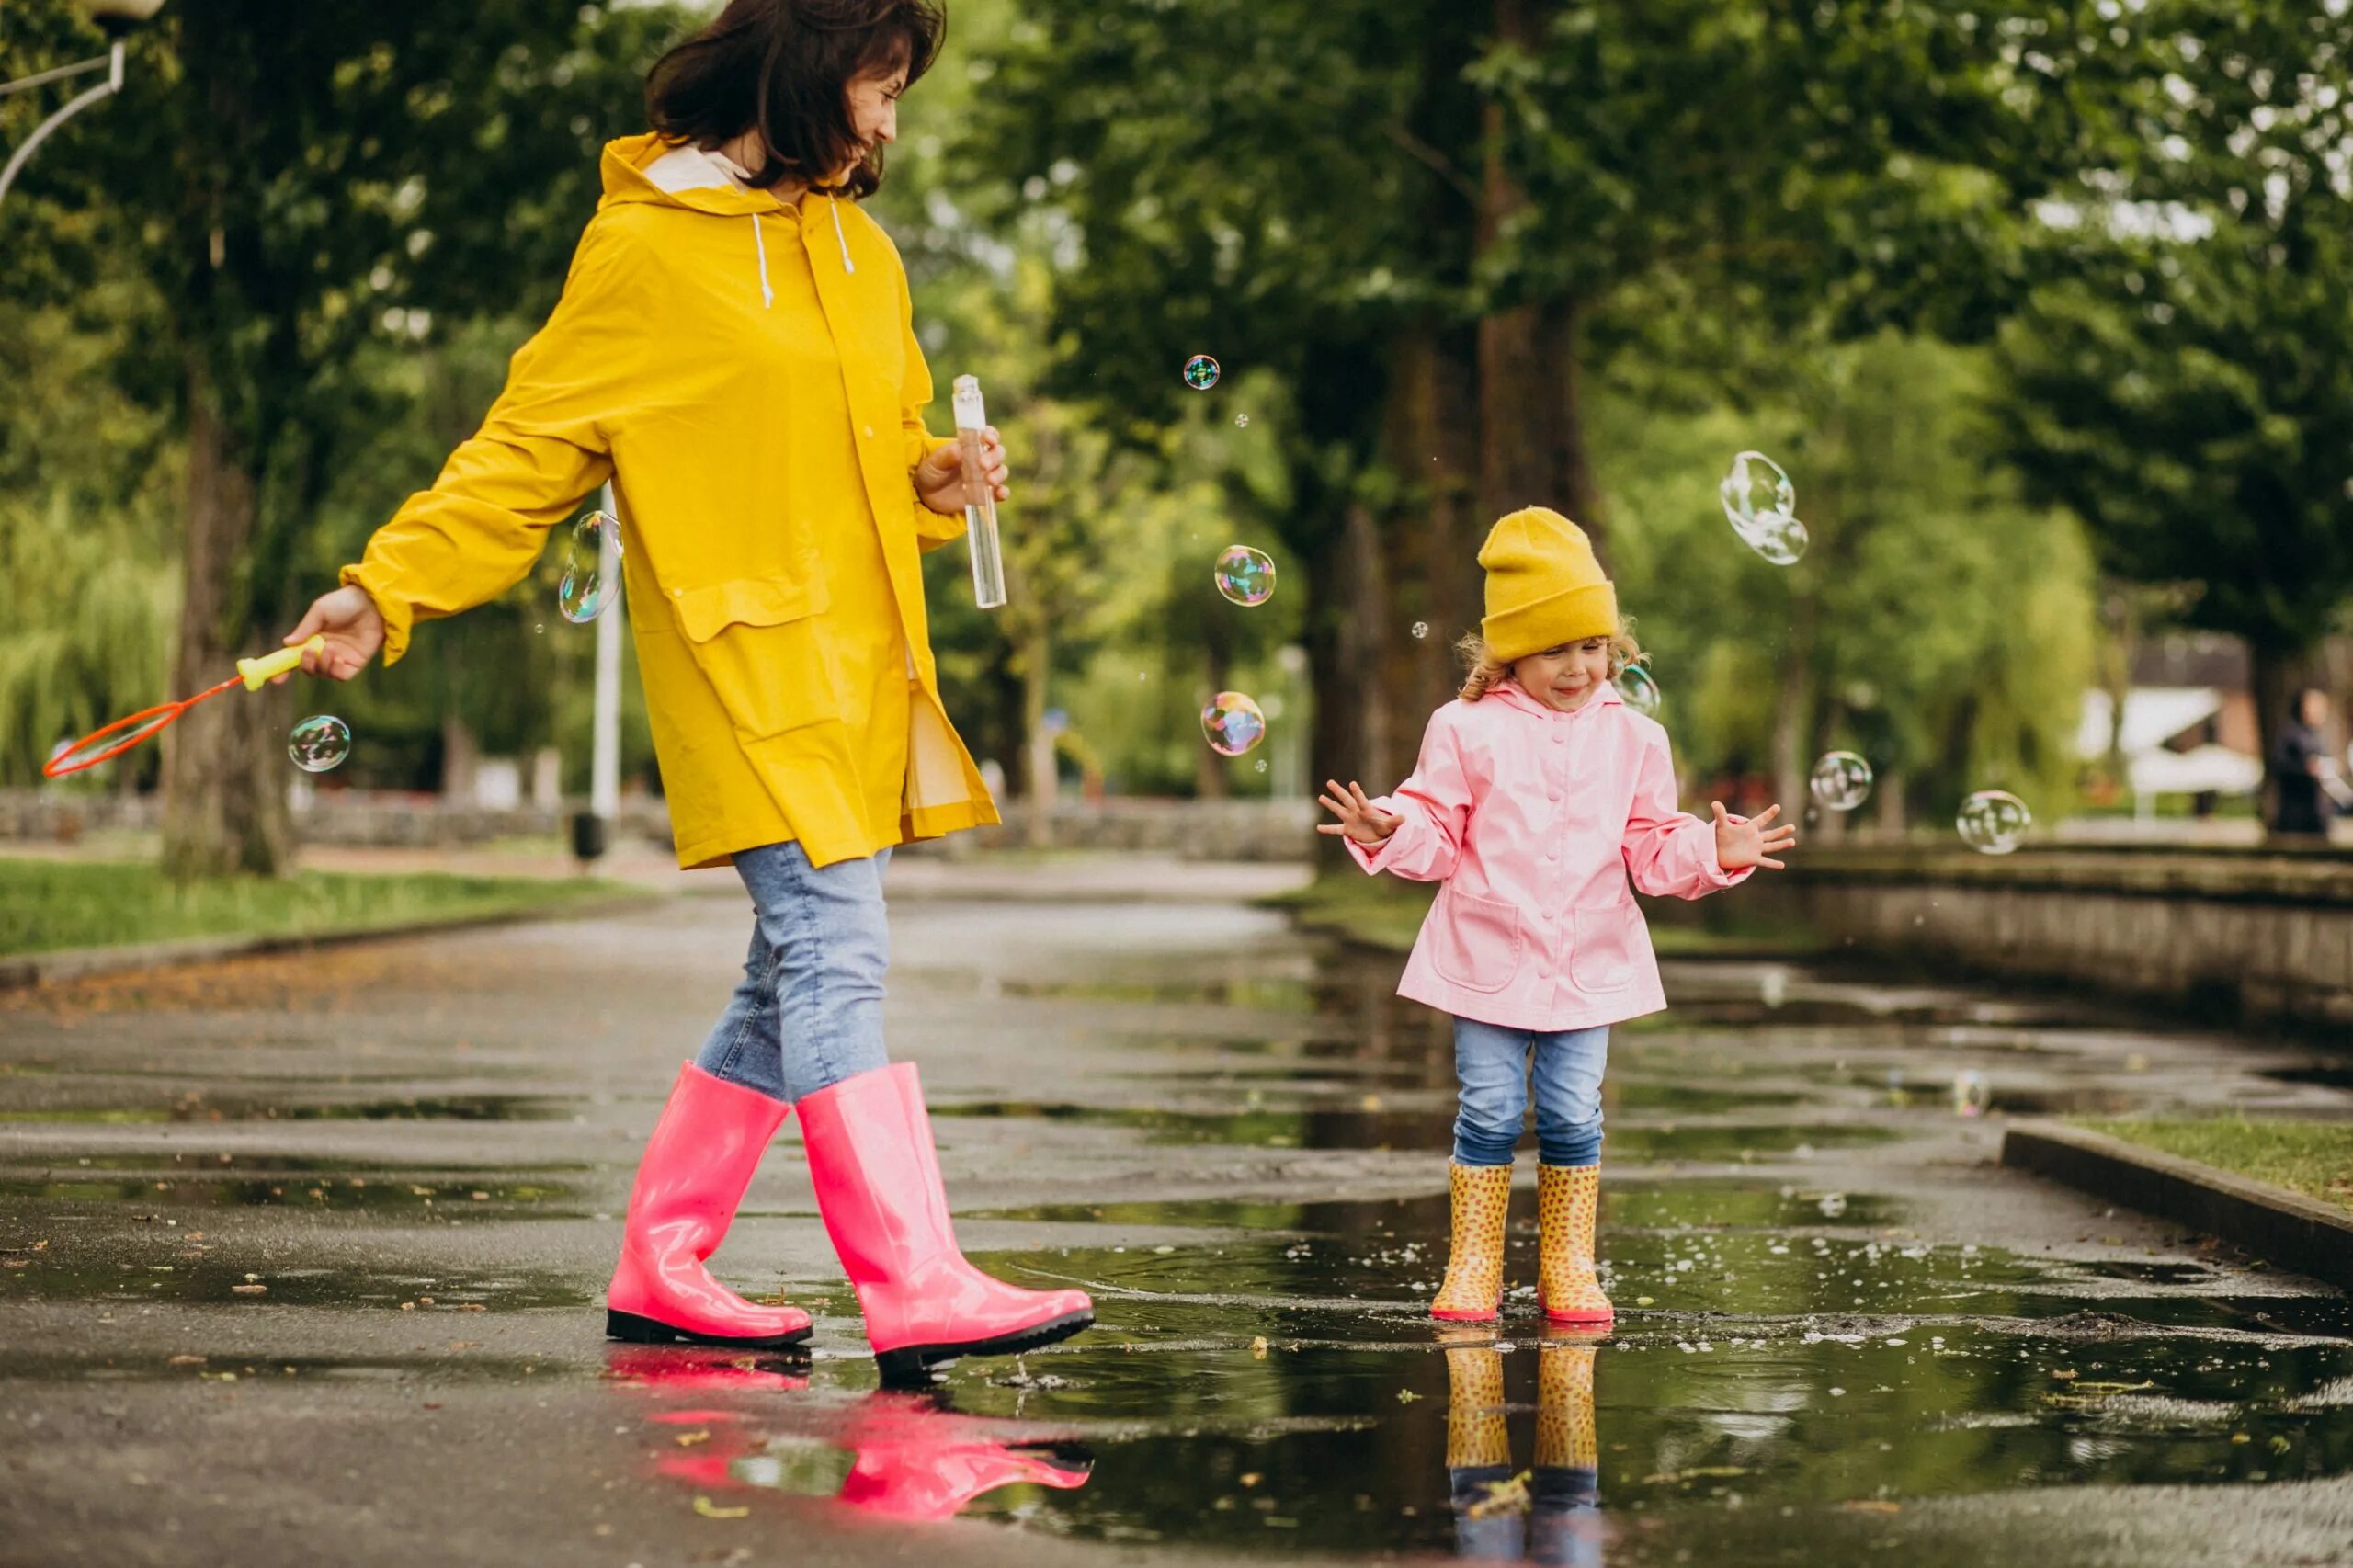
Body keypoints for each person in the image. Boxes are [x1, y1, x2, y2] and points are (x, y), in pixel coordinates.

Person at [279, 0, 1091, 1381]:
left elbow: (887, 439)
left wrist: (936, 478)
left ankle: (664, 1259)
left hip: (856, 664)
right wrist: (389, 586)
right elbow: (524, 446)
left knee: (790, 973)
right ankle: (913, 1276)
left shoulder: (862, 248)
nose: (892, 121)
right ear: (804, 67)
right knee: (839, 942)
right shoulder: (645, 247)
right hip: (736, 663)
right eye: (879, 87)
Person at [1319, 507, 1793, 1326]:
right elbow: (1437, 830)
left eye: (1591, 646)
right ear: (1509, 651)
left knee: (1576, 1112)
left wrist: (1715, 853)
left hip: (1589, 962)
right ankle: (1472, 1266)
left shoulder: (1638, 740)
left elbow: (1650, 848)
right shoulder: (1463, 727)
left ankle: (1569, 1267)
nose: (1576, 667)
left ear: (1614, 646)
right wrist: (1393, 828)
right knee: (1491, 1110)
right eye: (1553, 649)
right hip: (1487, 958)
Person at [2271, 687, 2336, 840]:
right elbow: (2280, 765)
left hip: (2316, 811)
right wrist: (2305, 768)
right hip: (2295, 812)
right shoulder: (2290, 734)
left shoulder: (2319, 736)